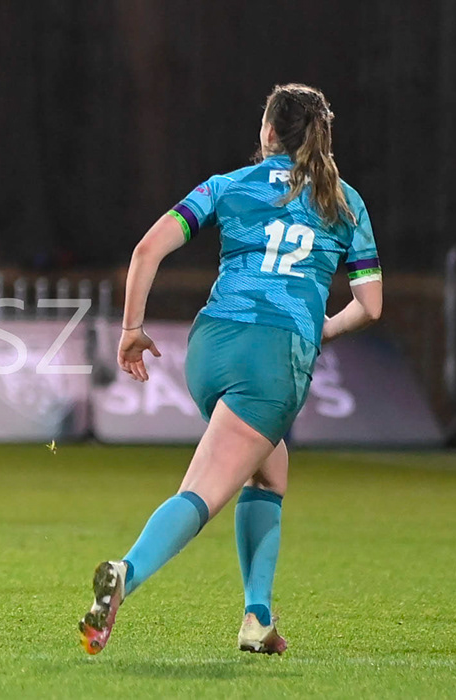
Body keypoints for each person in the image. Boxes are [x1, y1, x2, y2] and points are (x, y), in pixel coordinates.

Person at [80, 84, 382, 655]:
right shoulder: (343, 202)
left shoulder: (227, 185)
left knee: (269, 471)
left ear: (267, 132)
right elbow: (370, 306)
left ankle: (257, 618)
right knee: (203, 489)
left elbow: (147, 251)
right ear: (322, 138)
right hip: (272, 358)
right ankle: (126, 572)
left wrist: (130, 330)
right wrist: (318, 329)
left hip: (210, 346)